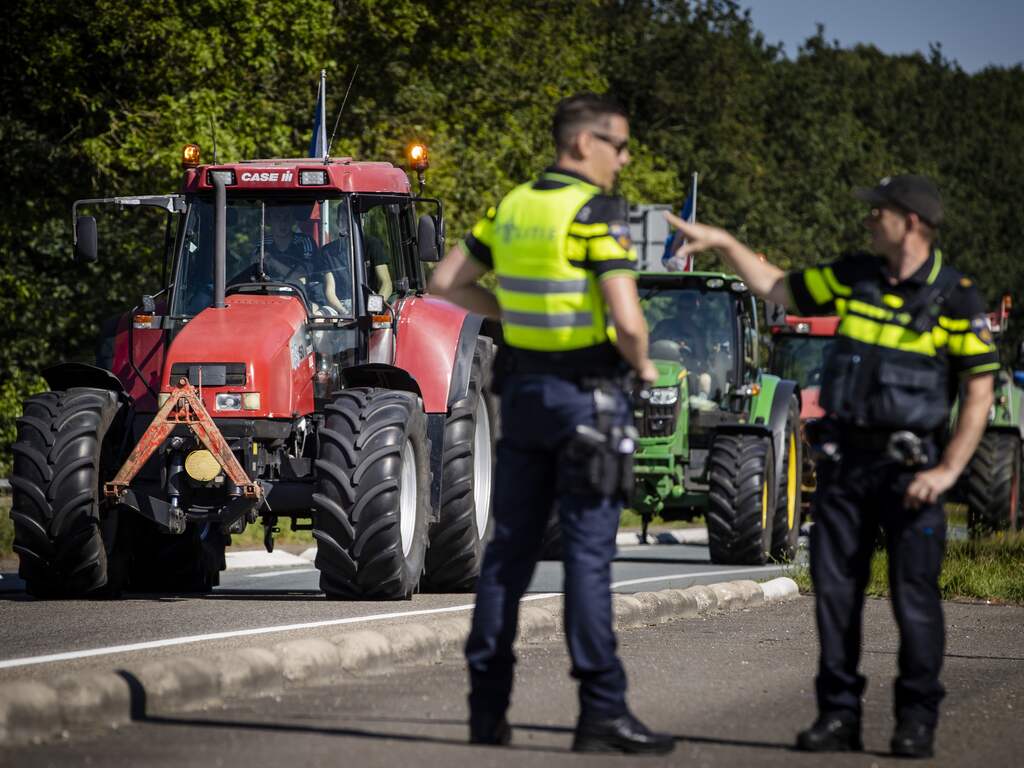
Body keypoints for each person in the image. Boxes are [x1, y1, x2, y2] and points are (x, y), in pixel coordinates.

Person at [665, 174, 998, 759]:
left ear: (912, 222)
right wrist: (721, 240)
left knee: (913, 600)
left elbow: (978, 390)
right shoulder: (853, 275)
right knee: (836, 598)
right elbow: (774, 285)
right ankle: (838, 714)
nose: (869, 220)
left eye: (879, 213)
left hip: (912, 474)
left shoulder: (956, 297)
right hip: (846, 469)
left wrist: (948, 472)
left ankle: (916, 720)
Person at [428, 93, 672, 755]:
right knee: (588, 561)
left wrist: (512, 314)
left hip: (523, 399)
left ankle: (487, 712)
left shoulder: (511, 206)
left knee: (506, 557)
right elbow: (626, 321)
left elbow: (446, 281)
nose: (624, 159)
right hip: (587, 400)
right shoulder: (596, 212)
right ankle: (601, 713)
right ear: (581, 144)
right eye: (617, 145)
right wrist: (643, 366)